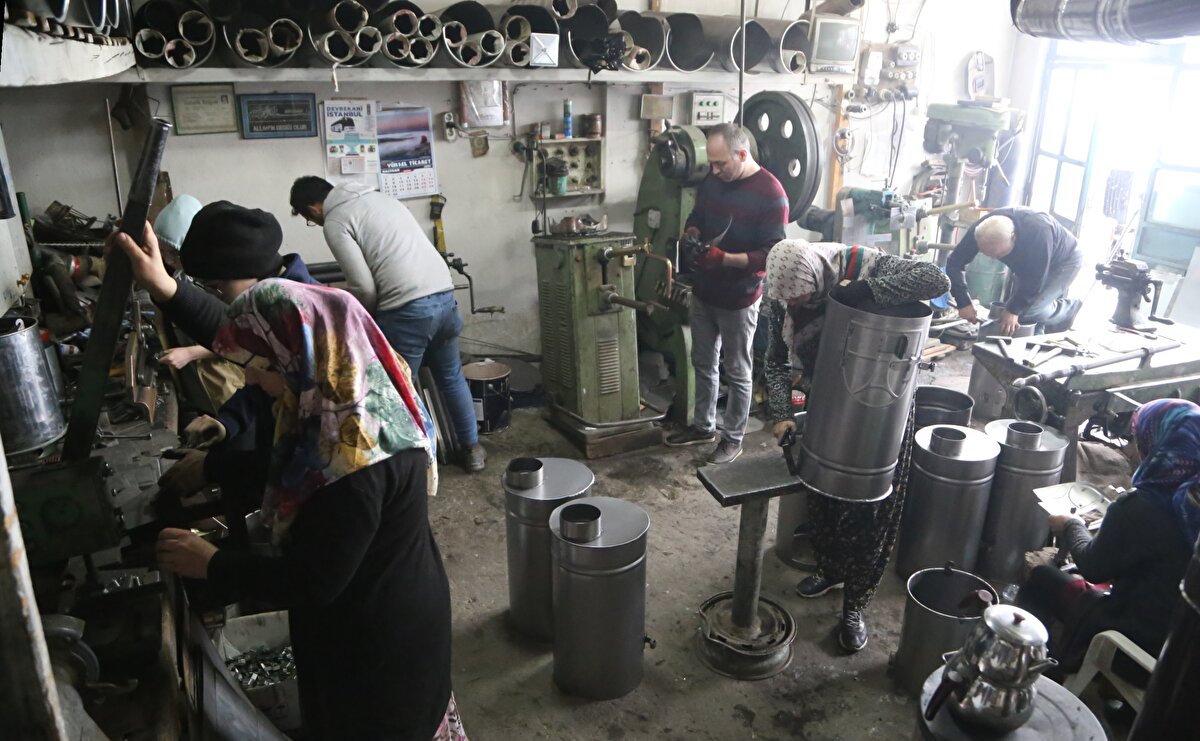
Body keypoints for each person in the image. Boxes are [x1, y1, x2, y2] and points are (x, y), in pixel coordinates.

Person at [154, 279, 467, 740]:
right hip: (393, 596)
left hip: (379, 639)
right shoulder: (351, 392)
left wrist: (214, 565)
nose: (253, 379)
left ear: (296, 352)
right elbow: (298, 465)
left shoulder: (353, 458)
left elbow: (314, 580)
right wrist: (216, 466)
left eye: (260, 366)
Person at [764, 240, 950, 652]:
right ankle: (830, 569)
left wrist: (862, 292)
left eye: (803, 293)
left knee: (872, 511)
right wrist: (782, 414)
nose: (796, 302)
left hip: (883, 409)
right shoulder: (778, 300)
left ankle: (855, 604)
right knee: (824, 497)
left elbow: (936, 279)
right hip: (827, 405)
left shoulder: (860, 264)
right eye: (788, 296)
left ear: (815, 271)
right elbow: (775, 361)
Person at [111, 202, 323, 499]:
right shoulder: (276, 315)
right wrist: (226, 422)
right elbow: (260, 380)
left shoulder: (309, 323)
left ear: (243, 271)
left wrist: (213, 469)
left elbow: (314, 464)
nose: (217, 295)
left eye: (216, 285)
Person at [288, 176, 486, 474]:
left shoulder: (335, 220)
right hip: (445, 295)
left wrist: (359, 321)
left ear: (312, 209)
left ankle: (411, 466)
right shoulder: (381, 198)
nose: (313, 222)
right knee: (451, 376)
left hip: (408, 309)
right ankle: (473, 450)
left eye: (308, 219)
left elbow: (364, 287)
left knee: (396, 390)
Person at [1018, 398, 1199, 676]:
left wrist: (1071, 525)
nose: (1130, 448)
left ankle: (1038, 669)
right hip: (1186, 658)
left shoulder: (1143, 507)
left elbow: (1093, 566)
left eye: (1137, 440)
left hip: (1137, 649)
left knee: (1042, 578)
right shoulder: (1191, 502)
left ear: (1159, 444)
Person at [663, 123, 789, 465]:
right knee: (703, 363)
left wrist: (726, 259)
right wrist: (692, 231)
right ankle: (703, 426)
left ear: (742, 154)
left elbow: (772, 254)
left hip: (740, 299)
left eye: (721, 164)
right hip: (705, 292)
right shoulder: (713, 181)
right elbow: (698, 214)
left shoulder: (771, 194)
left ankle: (732, 439)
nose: (714, 171)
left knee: (737, 370)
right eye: (712, 164)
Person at [150, 194, 244, 410]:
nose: (169, 260)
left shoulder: (224, 282)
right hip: (197, 385)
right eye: (163, 252)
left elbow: (243, 338)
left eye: (175, 252)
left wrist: (190, 353)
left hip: (227, 381)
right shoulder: (182, 276)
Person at [945, 206, 1083, 336]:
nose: (993, 258)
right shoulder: (982, 230)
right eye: (987, 254)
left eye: (998, 255)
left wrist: (1013, 310)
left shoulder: (1039, 232)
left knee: (1028, 311)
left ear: (1013, 237)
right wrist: (963, 301)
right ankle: (1036, 334)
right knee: (1020, 308)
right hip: (1028, 263)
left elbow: (1035, 279)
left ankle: (1068, 310)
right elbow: (954, 263)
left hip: (1065, 260)